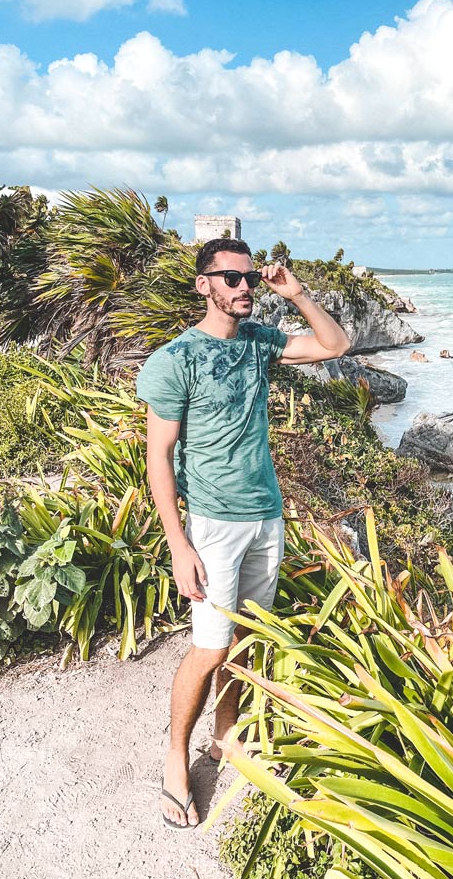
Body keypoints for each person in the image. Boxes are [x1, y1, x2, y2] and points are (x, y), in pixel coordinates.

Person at [136, 236, 351, 828]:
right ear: (203, 285)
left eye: (250, 278)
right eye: (230, 279)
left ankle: (224, 736)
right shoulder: (175, 359)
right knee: (209, 648)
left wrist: (297, 293)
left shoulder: (259, 344)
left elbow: (336, 344)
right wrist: (179, 545)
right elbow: (159, 457)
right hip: (211, 523)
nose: (244, 288)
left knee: (247, 640)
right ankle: (175, 759)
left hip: (266, 516)